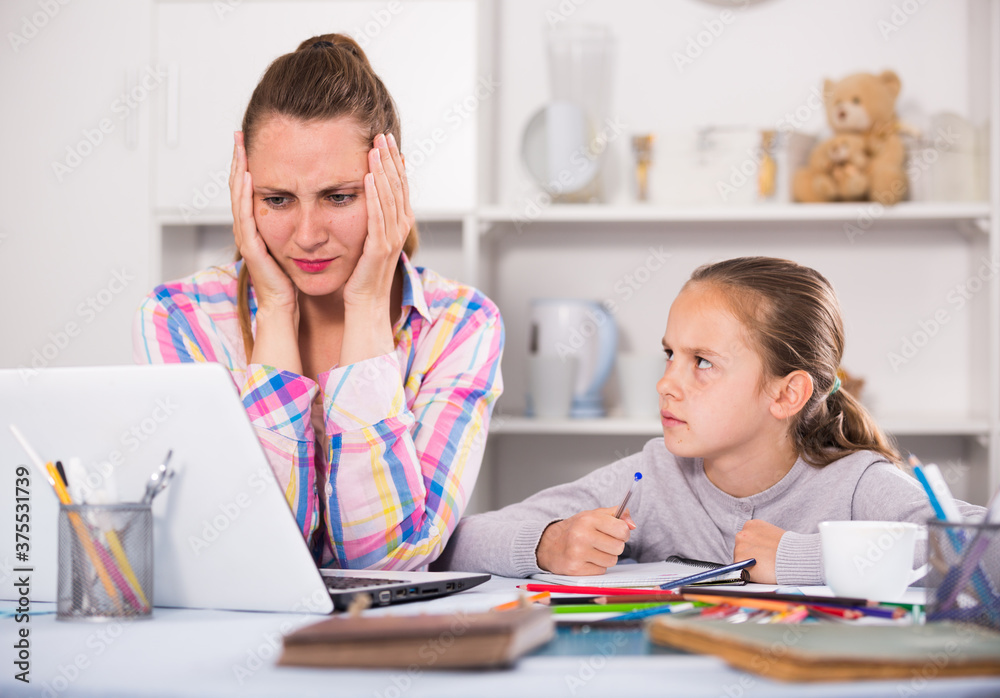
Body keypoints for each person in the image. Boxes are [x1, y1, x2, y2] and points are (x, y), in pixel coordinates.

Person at [133, 34, 504, 571]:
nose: (308, 235)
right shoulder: (179, 319)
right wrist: (275, 312)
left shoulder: (461, 326)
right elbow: (251, 557)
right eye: (277, 199)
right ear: (244, 195)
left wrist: (368, 305)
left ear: (392, 186)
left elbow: (387, 561)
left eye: (339, 197)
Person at [435, 256, 984, 584]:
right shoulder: (653, 477)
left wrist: (796, 558)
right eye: (669, 354)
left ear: (787, 393)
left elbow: (985, 550)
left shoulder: (855, 482)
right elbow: (455, 540)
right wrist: (548, 544)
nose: (665, 383)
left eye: (701, 362)